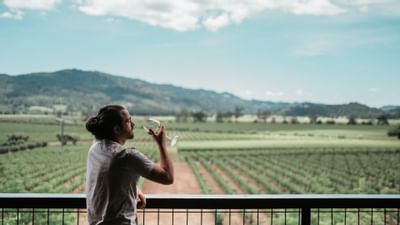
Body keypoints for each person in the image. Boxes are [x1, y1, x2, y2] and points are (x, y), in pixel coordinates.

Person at [85, 105, 174, 225]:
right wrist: (161, 144)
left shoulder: (95, 149)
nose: (133, 124)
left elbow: (108, 176)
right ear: (117, 129)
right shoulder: (128, 156)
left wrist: (132, 187)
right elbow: (167, 177)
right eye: (127, 121)